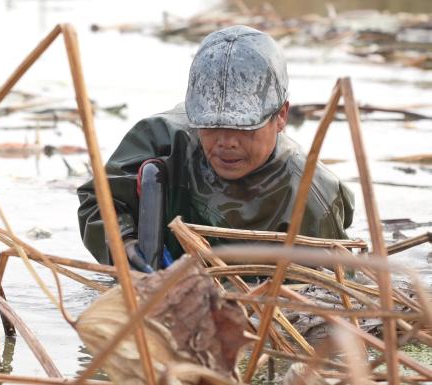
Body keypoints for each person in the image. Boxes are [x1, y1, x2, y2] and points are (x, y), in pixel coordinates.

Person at [77, 25, 354, 270]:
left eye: (243, 127)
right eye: (211, 125)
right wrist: (124, 245)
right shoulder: (160, 142)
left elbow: (333, 293)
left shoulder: (312, 197)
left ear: (281, 116)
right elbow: (99, 201)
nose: (226, 142)